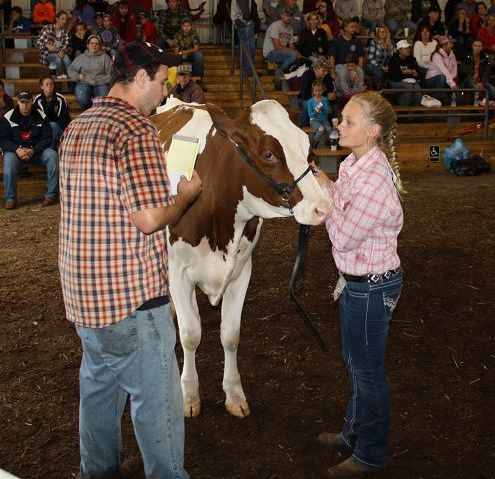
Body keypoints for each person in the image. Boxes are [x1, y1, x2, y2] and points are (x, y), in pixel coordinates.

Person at [58, 41, 201, 478]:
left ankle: (96, 471)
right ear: (140, 77)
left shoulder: (77, 126)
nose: (165, 91)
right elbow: (148, 219)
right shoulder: (136, 131)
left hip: (83, 292)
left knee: (99, 385)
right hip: (130, 296)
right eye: (162, 81)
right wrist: (184, 198)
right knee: (157, 397)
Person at [313, 90, 404, 479]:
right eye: (342, 118)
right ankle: (353, 431)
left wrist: (325, 205)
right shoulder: (354, 163)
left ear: (373, 130)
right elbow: (339, 194)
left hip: (371, 287)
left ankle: (370, 454)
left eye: (348, 121)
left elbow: (344, 236)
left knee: (368, 373)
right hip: (358, 283)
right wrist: (325, 185)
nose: (339, 124)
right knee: (355, 365)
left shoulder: (374, 181)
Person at [0, 91, 58, 210]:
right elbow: (3, 139)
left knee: (52, 155)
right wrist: (17, 149)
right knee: (9, 162)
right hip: (16, 152)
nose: (25, 106)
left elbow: (47, 138)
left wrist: (34, 150)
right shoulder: (8, 117)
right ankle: (10, 198)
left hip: (36, 152)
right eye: (22, 102)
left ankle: (51, 195)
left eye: (27, 102)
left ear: (32, 102)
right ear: (18, 103)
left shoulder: (41, 116)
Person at [67, 34, 112, 109]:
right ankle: (90, 110)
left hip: (101, 83)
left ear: (99, 46)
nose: (94, 45)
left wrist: (97, 81)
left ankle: (98, 112)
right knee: (82, 98)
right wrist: (78, 76)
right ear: (87, 45)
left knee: (104, 100)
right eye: (92, 43)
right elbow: (70, 69)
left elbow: (111, 74)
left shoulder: (105, 57)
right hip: (84, 82)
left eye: (96, 44)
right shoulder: (81, 57)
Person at [33, 75, 71, 148]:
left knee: (53, 126)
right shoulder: (38, 100)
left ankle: (51, 148)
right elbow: (36, 118)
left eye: (51, 84)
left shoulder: (60, 99)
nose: (49, 86)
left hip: (58, 128)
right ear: (42, 87)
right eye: (46, 84)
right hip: (43, 128)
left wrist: (51, 125)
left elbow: (64, 119)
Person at [298, 57, 337, 126]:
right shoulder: (307, 75)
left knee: (333, 107)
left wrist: (332, 97)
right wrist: (319, 102)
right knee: (308, 105)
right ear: (317, 68)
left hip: (322, 100)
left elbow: (330, 92)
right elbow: (305, 95)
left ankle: (332, 129)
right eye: (323, 70)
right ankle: (303, 125)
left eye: (327, 71)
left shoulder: (327, 77)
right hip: (306, 99)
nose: (325, 73)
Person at [263, 8, 301, 79]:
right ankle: (279, 73)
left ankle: (281, 71)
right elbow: (277, 47)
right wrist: (293, 52)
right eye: (287, 15)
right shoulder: (275, 26)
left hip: (281, 53)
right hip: (270, 52)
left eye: (290, 16)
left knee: (299, 57)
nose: (289, 18)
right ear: (282, 16)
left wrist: (297, 52)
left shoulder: (290, 29)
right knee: (292, 55)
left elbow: (291, 45)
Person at [328, 19, 365, 89]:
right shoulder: (337, 41)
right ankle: (345, 94)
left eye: (355, 27)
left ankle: (358, 91)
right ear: (345, 28)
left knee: (360, 71)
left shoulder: (356, 41)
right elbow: (332, 57)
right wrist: (332, 71)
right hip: (341, 65)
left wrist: (359, 67)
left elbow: (361, 56)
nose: (354, 29)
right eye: (352, 27)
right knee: (343, 72)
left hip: (354, 65)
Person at [34, 10, 72, 79]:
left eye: (66, 19)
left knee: (67, 59)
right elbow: (37, 42)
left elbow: (67, 46)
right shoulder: (48, 28)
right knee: (58, 59)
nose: (65, 21)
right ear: (57, 19)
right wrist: (47, 45)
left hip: (60, 55)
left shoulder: (66, 32)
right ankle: (59, 83)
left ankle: (70, 82)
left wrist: (63, 51)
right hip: (47, 54)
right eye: (62, 19)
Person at [388, 39, 422, 106]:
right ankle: (404, 108)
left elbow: (417, 74)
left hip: (411, 80)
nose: (408, 50)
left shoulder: (412, 59)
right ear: (400, 50)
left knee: (417, 88)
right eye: (405, 48)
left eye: (408, 48)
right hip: (396, 81)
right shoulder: (393, 60)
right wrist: (404, 73)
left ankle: (416, 111)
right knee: (408, 87)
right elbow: (393, 77)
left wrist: (415, 74)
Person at [424, 35, 458, 102]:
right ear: (443, 45)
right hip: (431, 80)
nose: (452, 45)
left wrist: (452, 82)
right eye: (450, 43)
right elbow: (444, 71)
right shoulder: (436, 55)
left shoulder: (452, 54)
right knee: (441, 77)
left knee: (458, 89)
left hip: (445, 79)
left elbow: (454, 70)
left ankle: (453, 109)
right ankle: (436, 101)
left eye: (452, 43)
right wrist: (451, 83)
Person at [230, 0, 260, 76]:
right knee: (247, 48)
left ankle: (250, 70)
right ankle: (248, 70)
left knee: (250, 48)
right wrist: (246, 23)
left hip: (247, 24)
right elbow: (245, 13)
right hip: (243, 24)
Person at [307, 79, 332, 148]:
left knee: (329, 128)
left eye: (319, 91)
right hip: (314, 120)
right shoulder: (310, 101)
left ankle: (332, 143)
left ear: (322, 91)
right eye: (316, 91)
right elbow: (310, 114)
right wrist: (315, 113)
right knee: (321, 128)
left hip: (324, 119)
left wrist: (323, 109)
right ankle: (315, 143)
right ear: (313, 91)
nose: (317, 93)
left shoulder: (325, 99)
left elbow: (327, 112)